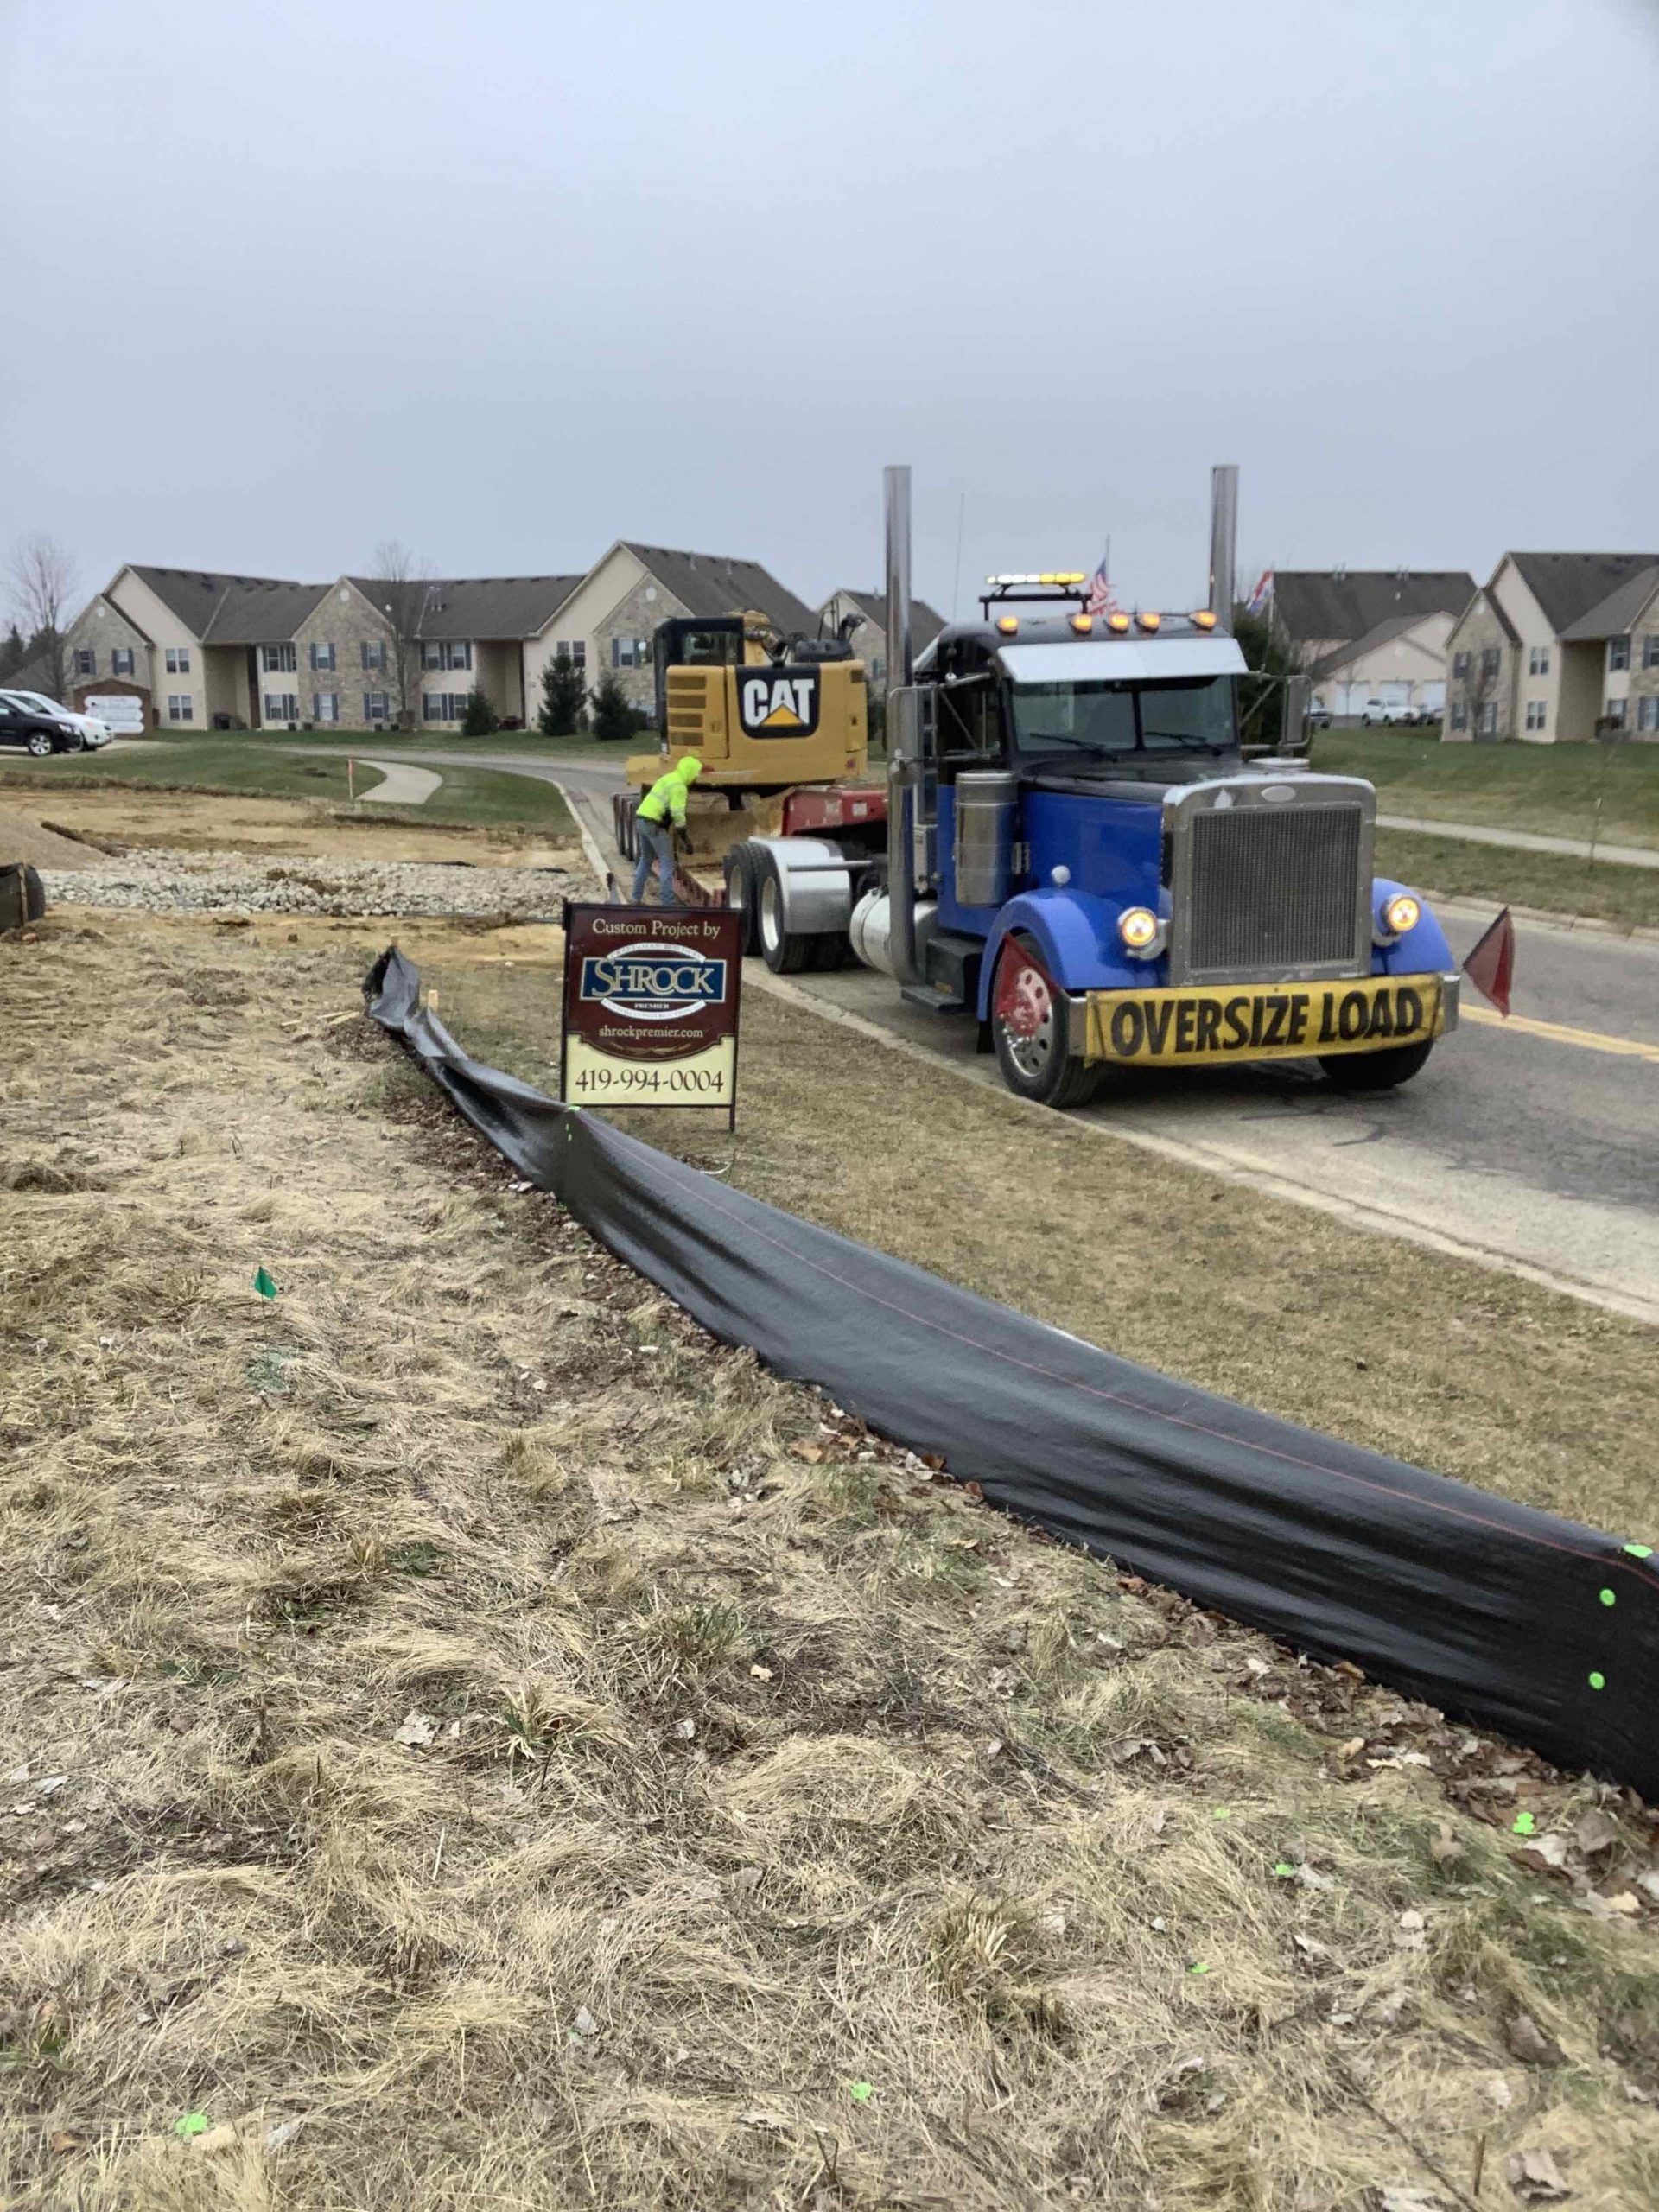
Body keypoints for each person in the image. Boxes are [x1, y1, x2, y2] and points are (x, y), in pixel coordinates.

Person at [630, 754, 702, 905]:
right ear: (689, 772)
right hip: (653, 824)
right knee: (667, 863)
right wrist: (685, 838)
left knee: (645, 859)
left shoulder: (669, 778)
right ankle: (668, 904)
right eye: (695, 774)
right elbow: (678, 813)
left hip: (642, 819)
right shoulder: (679, 786)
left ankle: (635, 898)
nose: (696, 778)